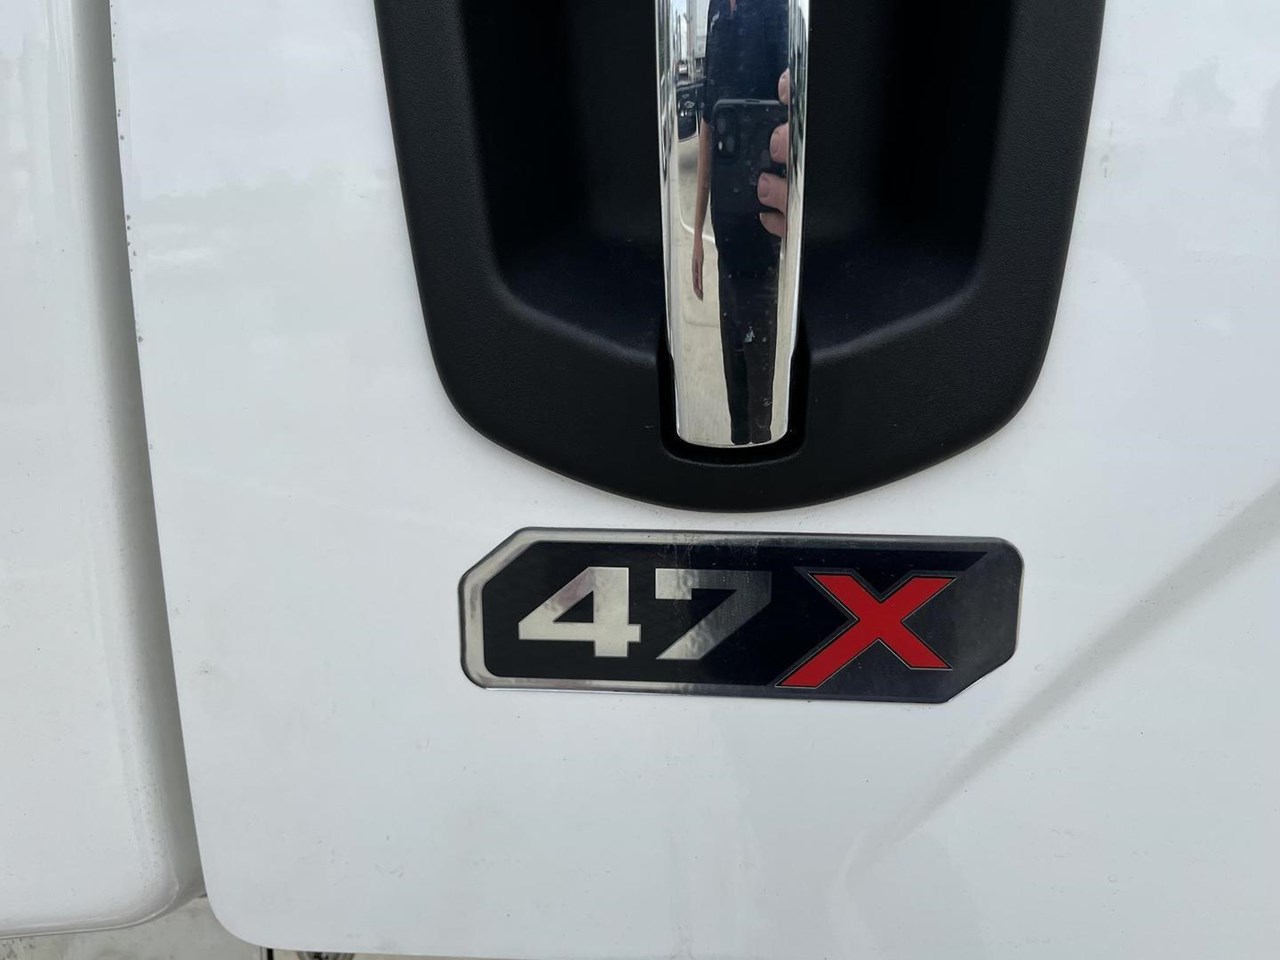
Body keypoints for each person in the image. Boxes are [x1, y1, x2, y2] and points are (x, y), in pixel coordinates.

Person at [691, 0, 791, 445]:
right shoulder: (716, 10)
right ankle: (738, 444)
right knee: (733, 351)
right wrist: (697, 235)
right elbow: (708, 128)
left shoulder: (774, 8)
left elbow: (792, 106)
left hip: (764, 225)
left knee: (760, 357)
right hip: (725, 227)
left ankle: (762, 449)